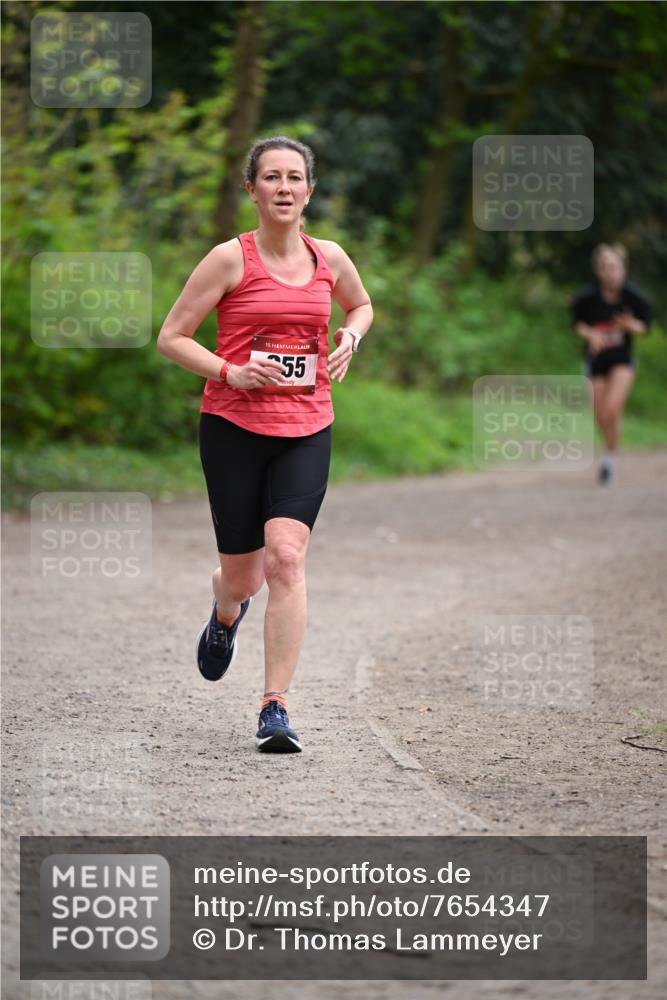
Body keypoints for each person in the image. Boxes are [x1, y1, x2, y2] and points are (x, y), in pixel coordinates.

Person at [157, 135, 373, 752]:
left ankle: (274, 707)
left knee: (286, 558)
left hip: (306, 427)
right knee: (243, 577)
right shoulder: (228, 260)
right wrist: (230, 371)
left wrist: (351, 338)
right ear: (251, 190)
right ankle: (225, 615)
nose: (284, 187)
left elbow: (361, 307)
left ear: (309, 190)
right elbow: (172, 337)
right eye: (271, 177)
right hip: (232, 428)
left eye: (294, 177)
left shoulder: (328, 256)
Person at [572, 243, 652, 484]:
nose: (610, 272)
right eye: (605, 267)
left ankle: (609, 458)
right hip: (595, 359)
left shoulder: (634, 296)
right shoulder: (587, 297)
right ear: (598, 270)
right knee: (599, 415)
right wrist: (591, 335)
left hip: (621, 360)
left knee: (612, 408)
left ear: (623, 269)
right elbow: (578, 324)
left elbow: (645, 327)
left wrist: (630, 326)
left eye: (614, 267)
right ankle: (610, 446)